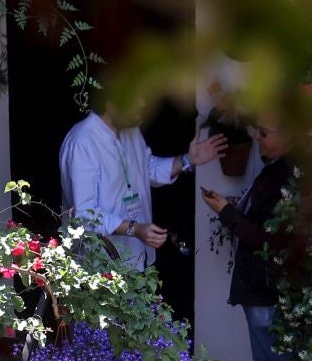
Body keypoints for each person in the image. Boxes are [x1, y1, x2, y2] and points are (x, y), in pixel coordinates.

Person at [202, 121, 298, 361]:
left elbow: (267, 239)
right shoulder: (276, 172)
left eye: (265, 131)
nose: (258, 138)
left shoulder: (287, 177)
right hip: (262, 288)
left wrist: (226, 213)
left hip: (265, 289)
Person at [57, 87, 226, 273]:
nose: (142, 104)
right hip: (101, 269)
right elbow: (85, 216)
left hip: (138, 259)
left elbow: (147, 169)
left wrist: (187, 160)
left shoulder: (131, 131)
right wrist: (134, 229)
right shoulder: (81, 143)